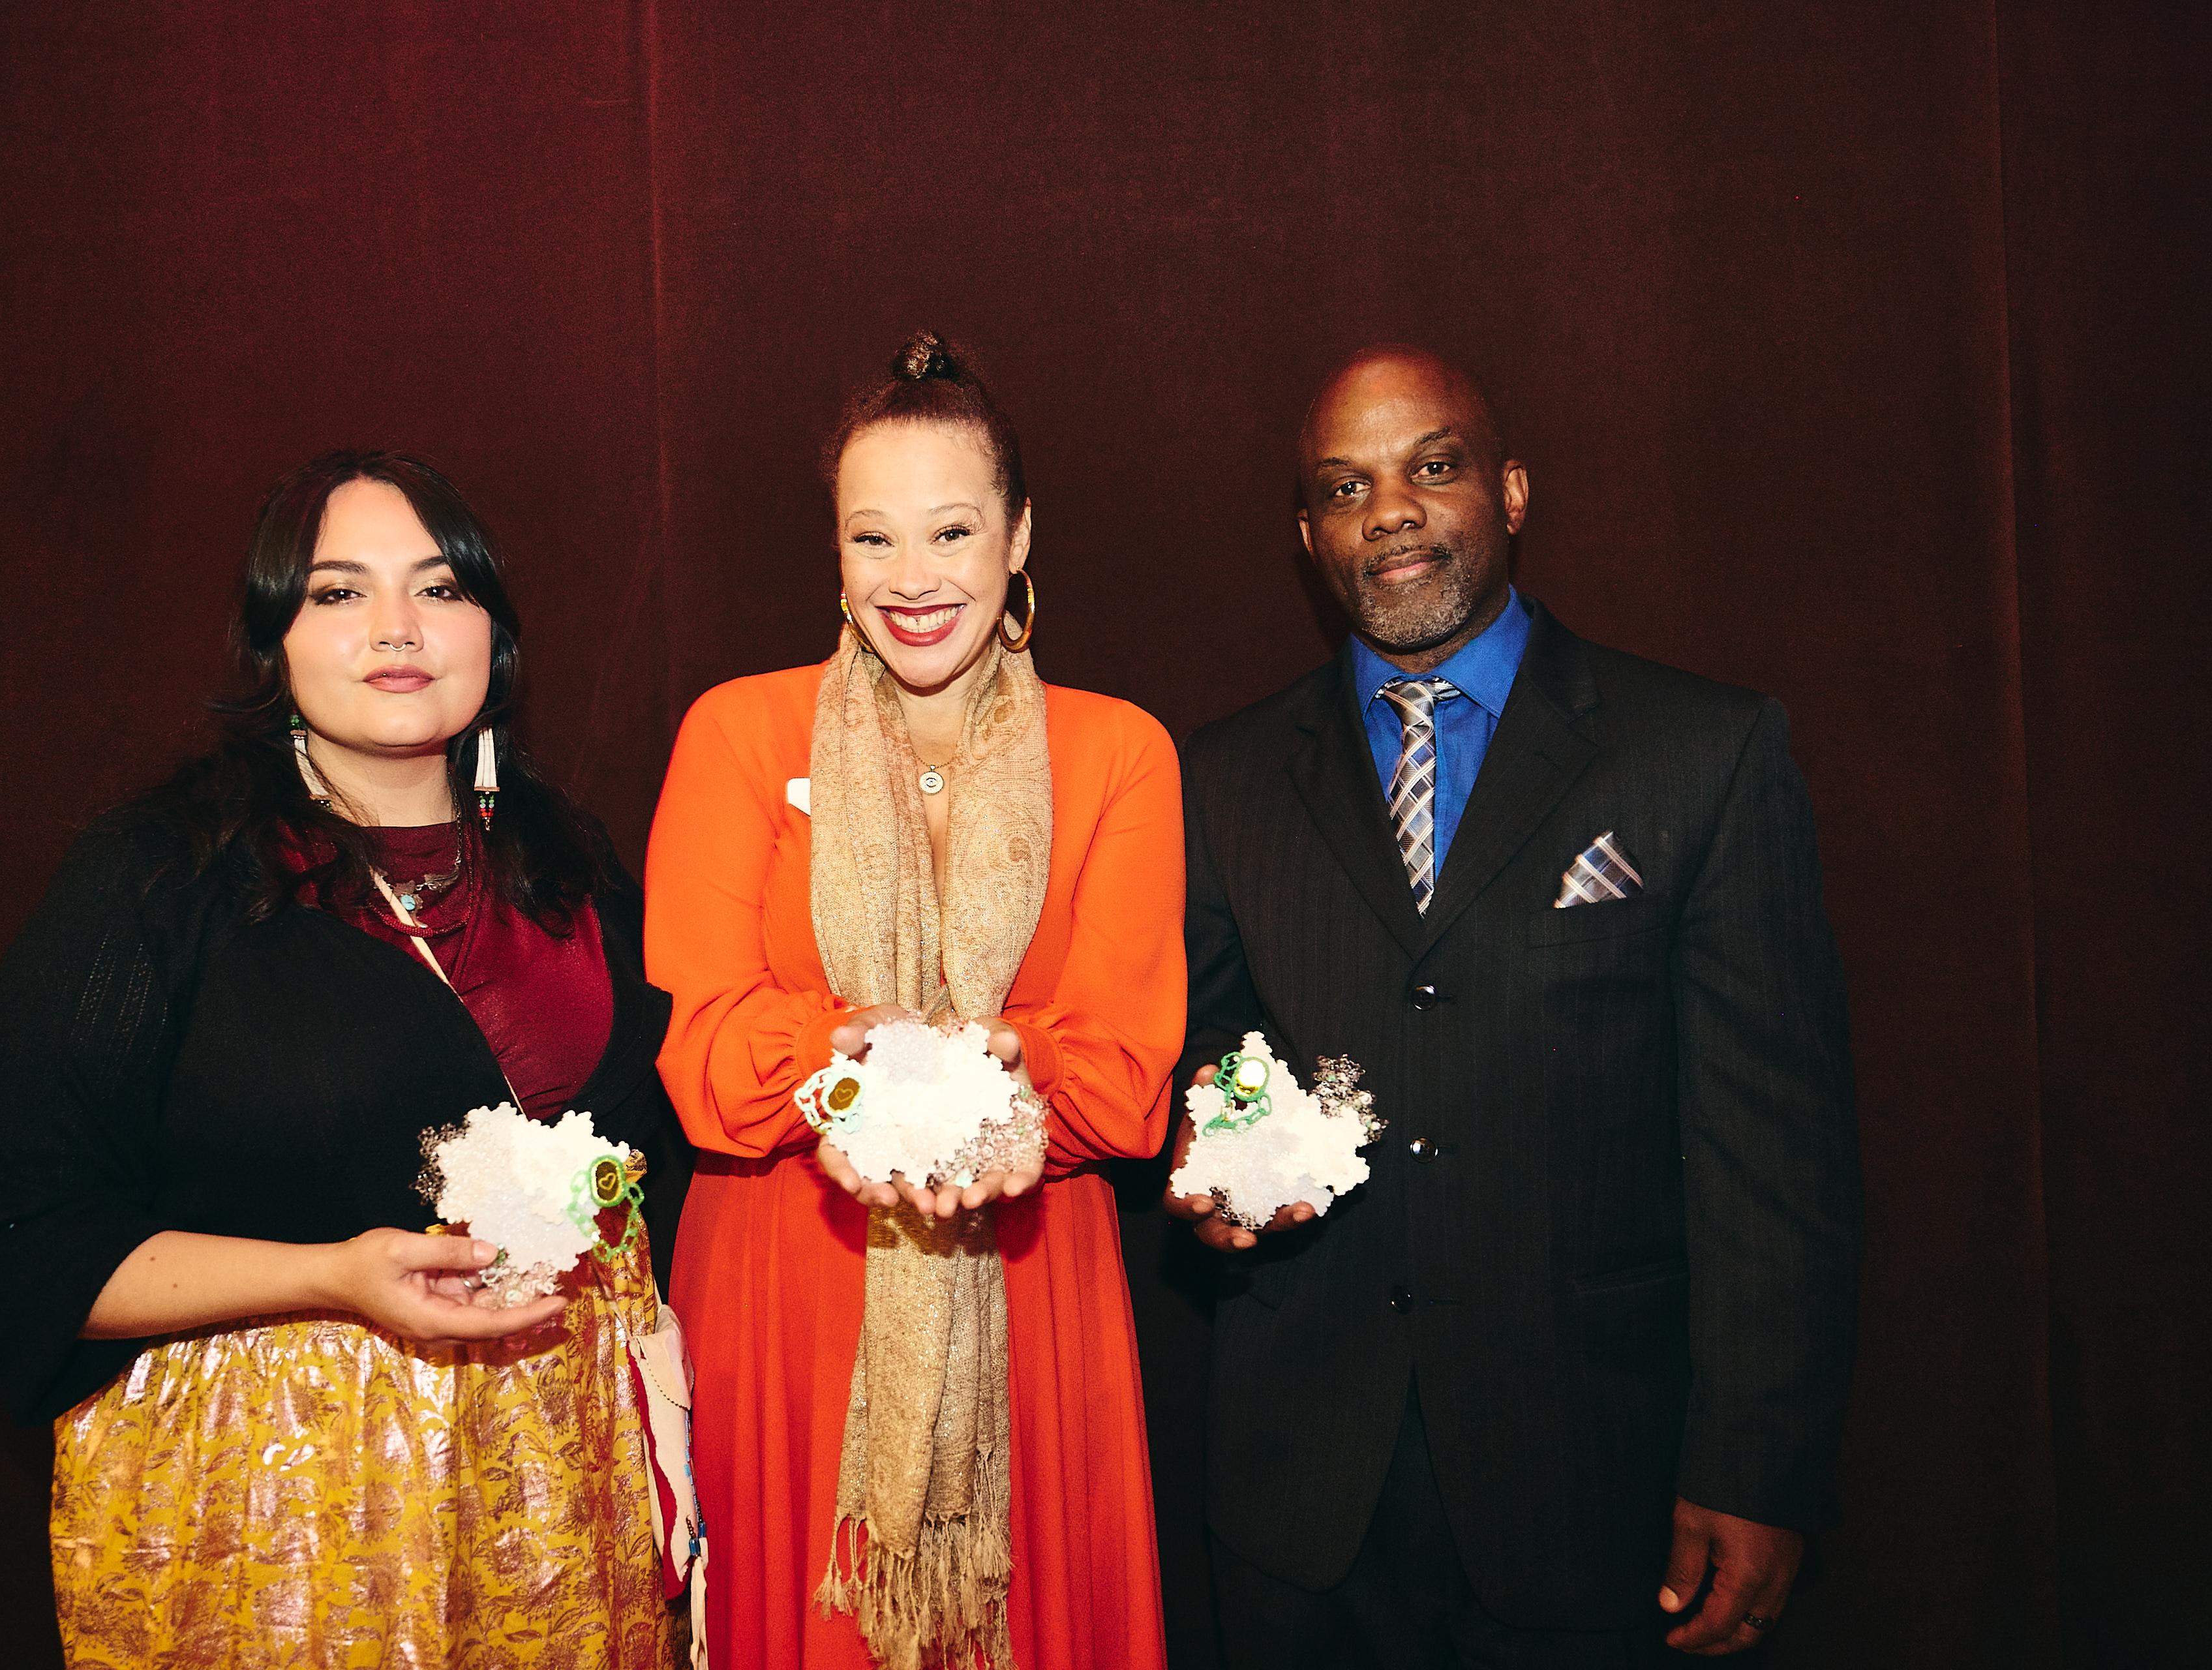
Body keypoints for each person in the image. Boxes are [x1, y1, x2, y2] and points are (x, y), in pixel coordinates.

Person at [1168, 347, 1861, 1666]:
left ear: (1514, 489)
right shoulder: (1224, 776)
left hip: (1596, 1487)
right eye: (1344, 485)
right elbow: (1216, 1052)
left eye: (1433, 465)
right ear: (1308, 536)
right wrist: (1229, 1161)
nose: (1391, 510)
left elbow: (1777, 1158)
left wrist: (1762, 1463)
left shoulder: (1702, 754)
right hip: (1306, 1505)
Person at [0, 450, 690, 1668]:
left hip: (564, 1502)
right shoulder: (158, 878)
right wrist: (330, 1277)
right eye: (338, 593)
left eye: (442, 589)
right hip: (279, 1512)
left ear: (495, 636)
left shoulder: (570, 862)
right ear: (272, 643)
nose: (398, 627)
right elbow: (23, 1254)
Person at [646, 333, 1182, 1669]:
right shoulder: (737, 731)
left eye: (951, 529)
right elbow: (705, 1055)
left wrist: (991, 1090)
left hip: (1034, 1298)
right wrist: (865, 1060)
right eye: (872, 537)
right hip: (788, 1286)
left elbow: (1123, 1080)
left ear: (1018, 535)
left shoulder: (1119, 750)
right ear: (834, 555)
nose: (912, 577)